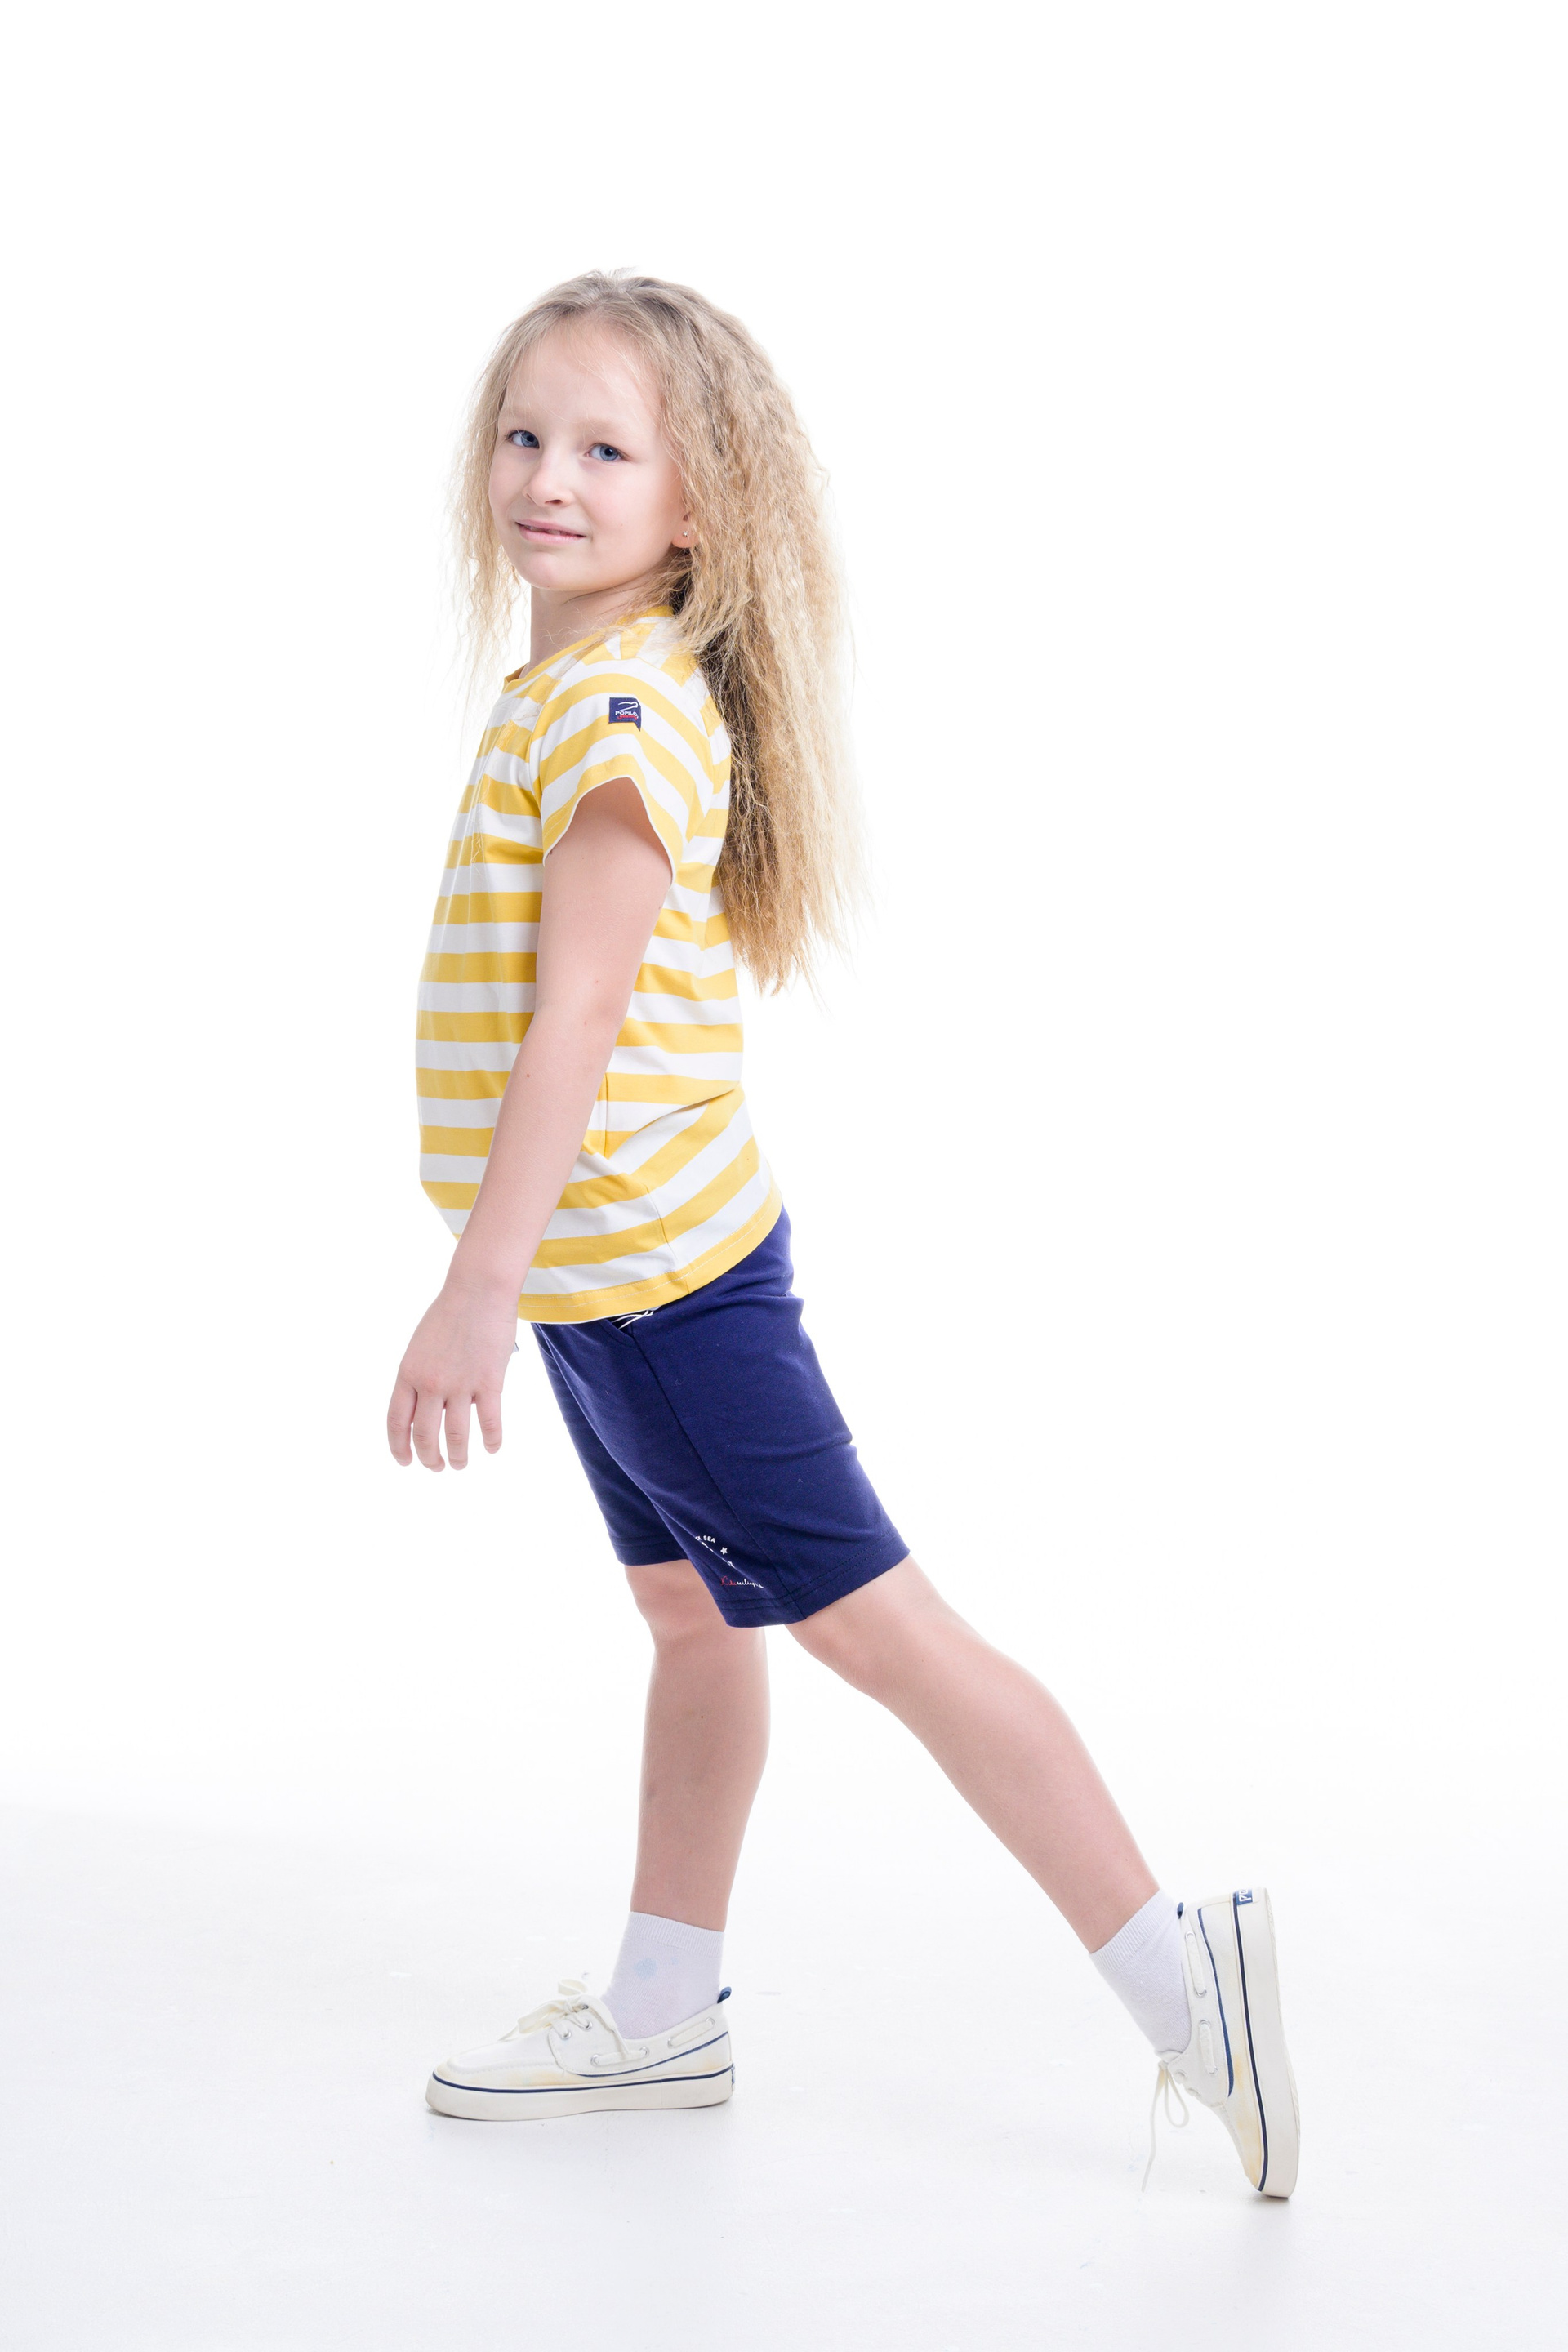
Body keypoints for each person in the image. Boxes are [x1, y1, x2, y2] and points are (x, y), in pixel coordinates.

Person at [386, 271, 1298, 2198]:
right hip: (620, 1273)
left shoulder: (618, 708)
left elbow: (575, 1019)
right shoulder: (577, 685)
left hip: (647, 1281)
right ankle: (665, 2008)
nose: (549, 477)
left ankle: (1183, 1981)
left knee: (878, 1628)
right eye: (527, 434)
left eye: (606, 449)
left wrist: (476, 1288)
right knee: (693, 1615)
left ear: (695, 502)